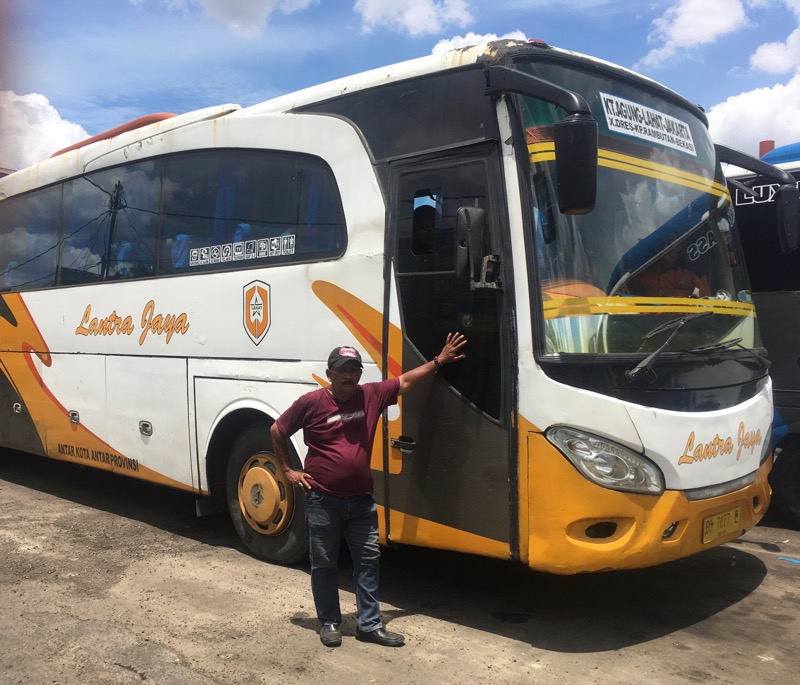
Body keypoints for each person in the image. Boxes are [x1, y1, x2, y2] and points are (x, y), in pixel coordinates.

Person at [270, 332, 468, 648]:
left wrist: (438, 362)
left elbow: (405, 382)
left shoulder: (371, 395)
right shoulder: (311, 403)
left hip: (361, 502)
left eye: (354, 369)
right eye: (342, 369)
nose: (348, 375)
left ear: (360, 374)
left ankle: (369, 626)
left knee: (368, 563)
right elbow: (277, 430)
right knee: (324, 565)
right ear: (330, 373)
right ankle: (330, 623)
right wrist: (288, 470)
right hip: (322, 499)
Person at [627, 243, 709, 298]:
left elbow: (707, 307)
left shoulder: (692, 278)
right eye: (663, 243)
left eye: (671, 242)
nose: (667, 247)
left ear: (679, 247)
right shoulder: (636, 277)